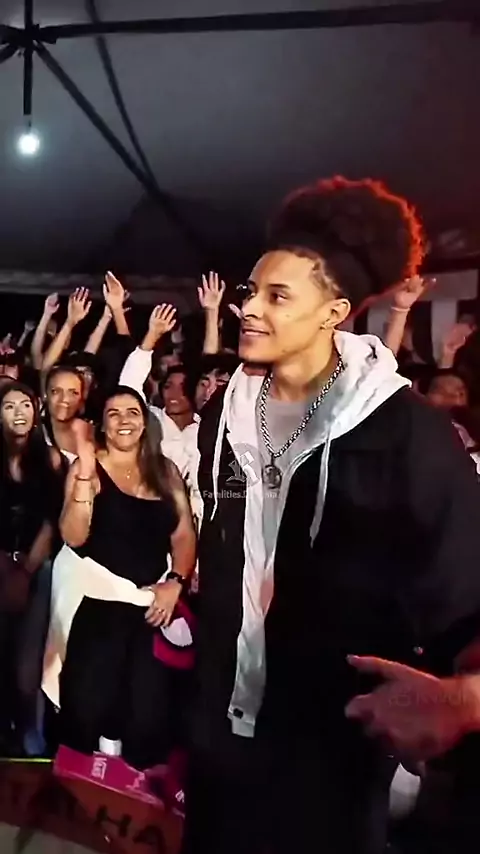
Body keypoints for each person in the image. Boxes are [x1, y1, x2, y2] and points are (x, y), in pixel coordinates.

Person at [184, 177, 480, 854]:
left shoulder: (407, 435)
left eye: (276, 295)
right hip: (218, 738)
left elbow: (467, 596)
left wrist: (464, 699)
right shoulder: (222, 415)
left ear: (334, 312)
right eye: (249, 292)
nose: (247, 308)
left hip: (328, 757)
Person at [57, 387, 196, 771]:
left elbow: (183, 535)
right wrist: (85, 472)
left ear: (145, 422)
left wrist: (175, 581)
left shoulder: (165, 471)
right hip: (98, 609)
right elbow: (73, 536)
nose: (124, 420)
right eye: (114, 413)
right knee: (88, 715)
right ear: (102, 424)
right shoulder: (87, 468)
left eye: (132, 412)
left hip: (152, 610)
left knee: (146, 720)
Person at [0, 382, 62, 755]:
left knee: (28, 664)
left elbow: (51, 521)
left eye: (24, 404)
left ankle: (30, 735)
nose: (18, 412)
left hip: (38, 566)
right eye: (9, 406)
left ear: (36, 410)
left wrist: (25, 571)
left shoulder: (50, 459)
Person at [43, 365, 86, 463]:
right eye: (56, 391)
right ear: (45, 395)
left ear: (81, 399)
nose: (64, 399)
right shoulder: (35, 435)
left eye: (73, 393)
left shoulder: (93, 436)